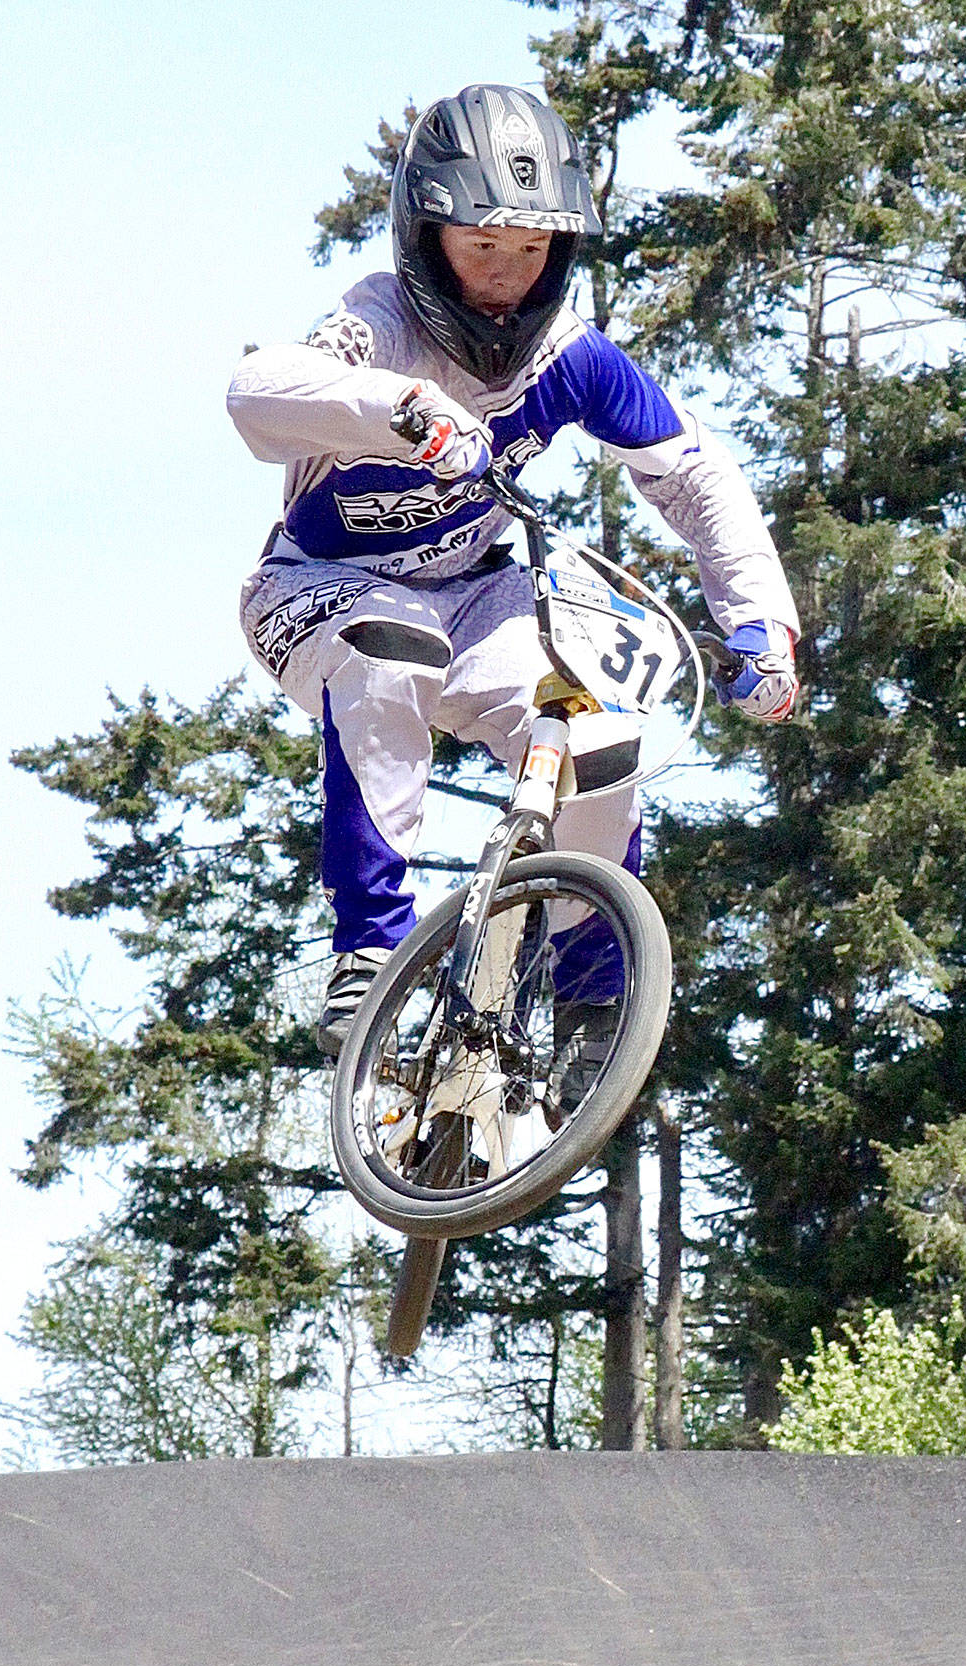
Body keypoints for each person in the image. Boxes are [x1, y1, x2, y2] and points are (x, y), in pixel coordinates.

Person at [228, 83, 799, 1058]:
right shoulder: (376, 327)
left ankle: (582, 1005)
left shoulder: (566, 356)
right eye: (482, 247)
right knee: (390, 648)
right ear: (426, 234)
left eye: (530, 250)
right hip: (318, 593)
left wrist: (758, 618)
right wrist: (393, 408)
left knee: (602, 732)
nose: (504, 278)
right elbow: (255, 399)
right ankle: (367, 950)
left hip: (473, 593)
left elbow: (696, 477)